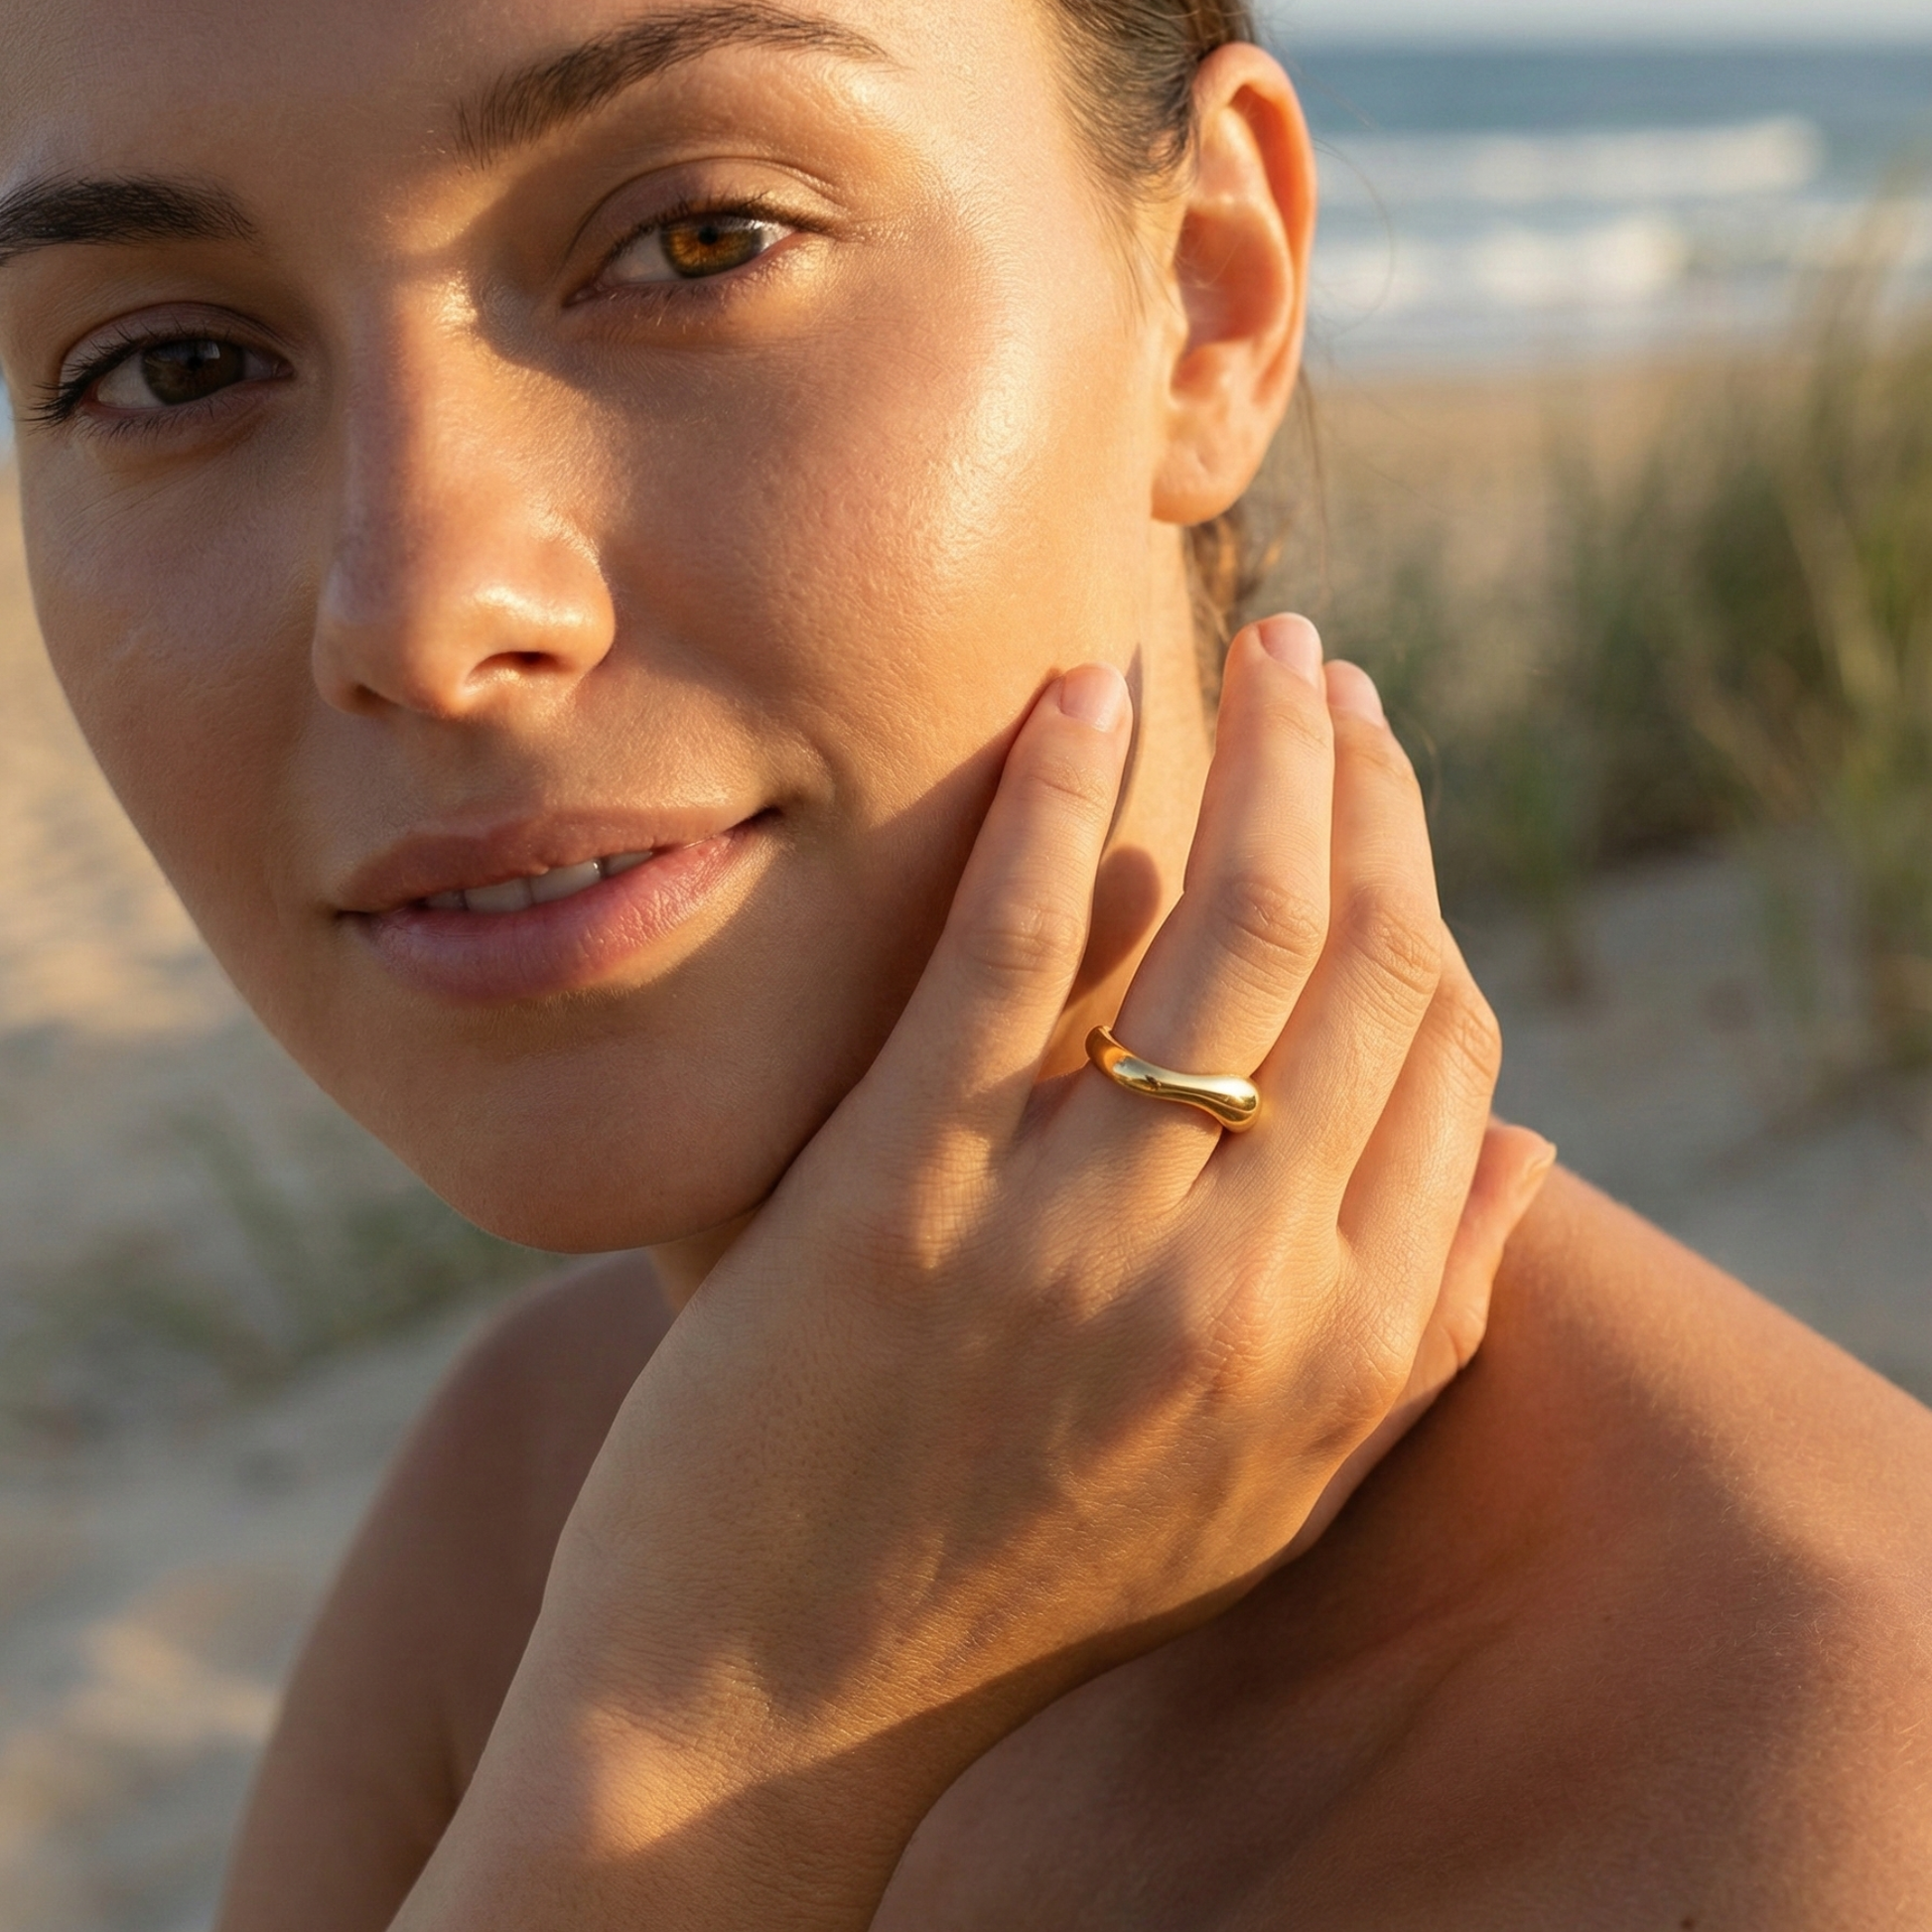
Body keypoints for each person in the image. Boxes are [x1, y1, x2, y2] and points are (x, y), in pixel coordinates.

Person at [3, 0, 1928, 1924]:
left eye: (699, 241)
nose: (420, 612)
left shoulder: (1822, 1790)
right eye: (169, 366)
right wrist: (703, 1732)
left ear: (1206, 291)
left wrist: (705, 1746)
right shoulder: (530, 1504)